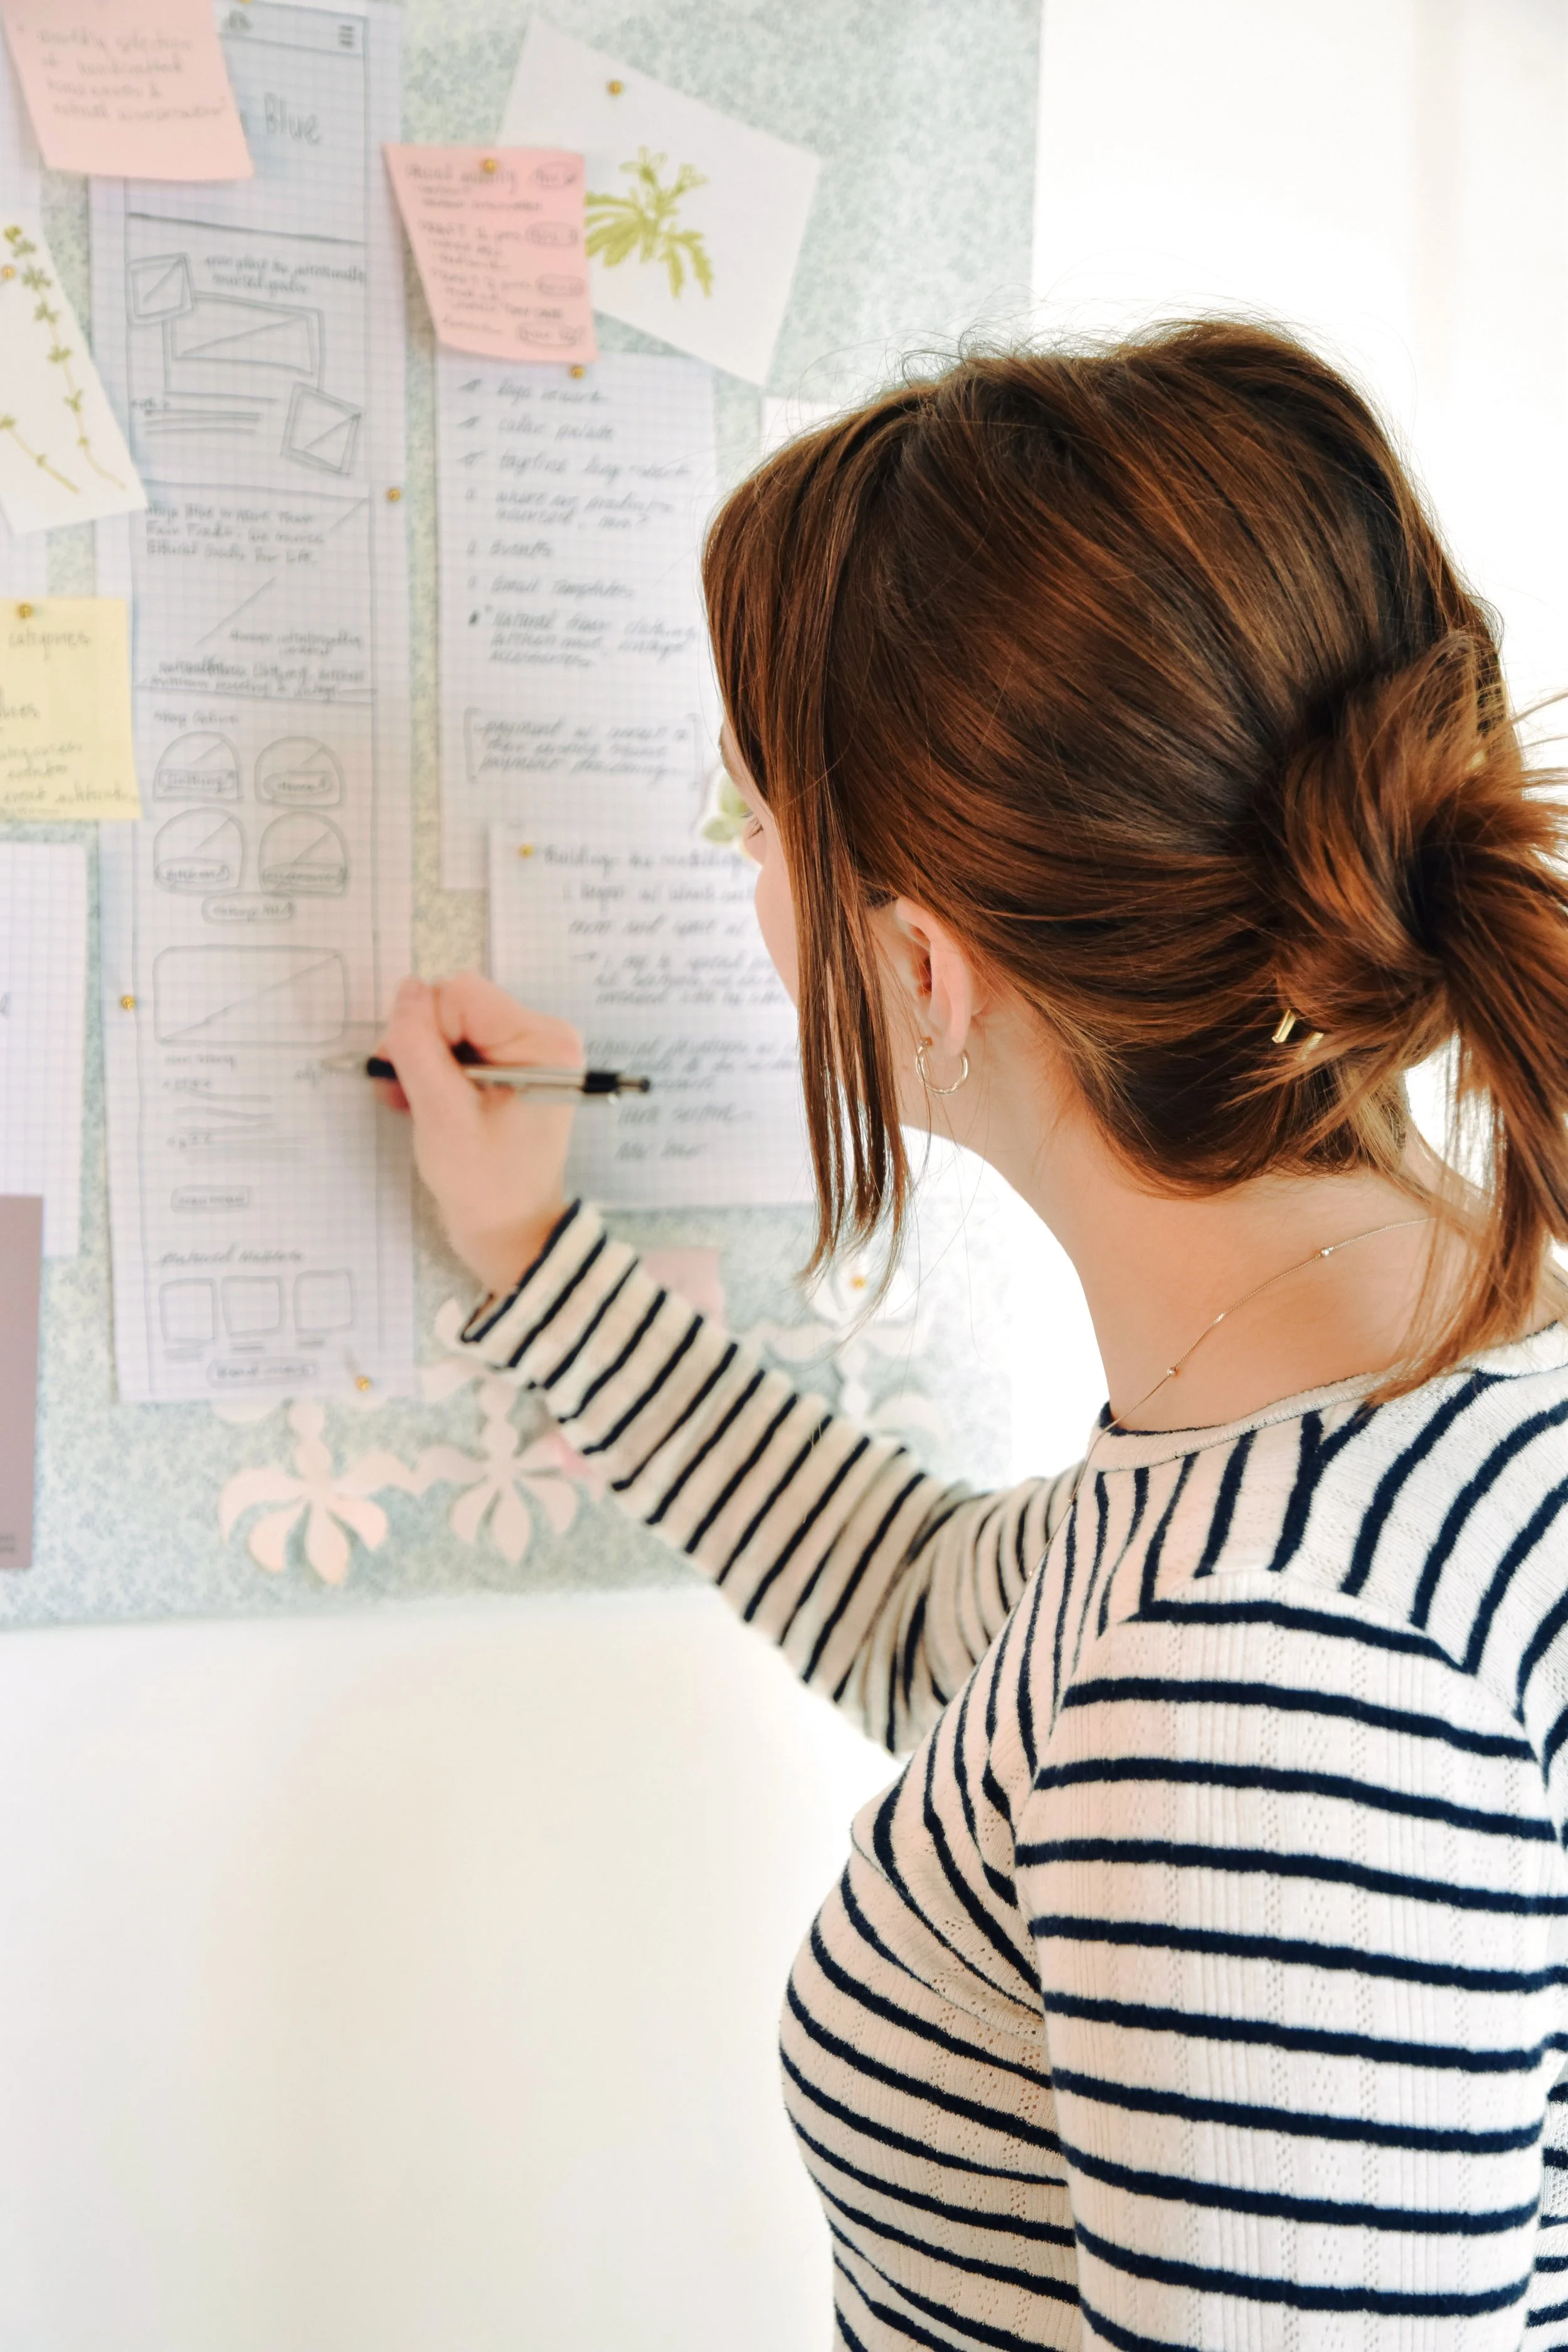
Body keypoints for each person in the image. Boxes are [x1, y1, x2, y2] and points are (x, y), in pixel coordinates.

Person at [379, 322, 1568, 2349]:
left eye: (754, 816)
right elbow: (958, 1618)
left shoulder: (1260, 1681)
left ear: (919, 966)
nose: (742, 866)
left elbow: (1127, 1689)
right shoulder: (1402, 1370)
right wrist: (536, 1255)